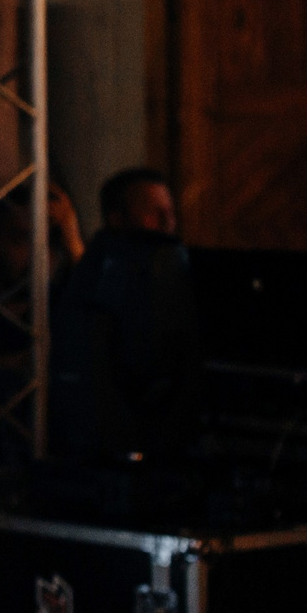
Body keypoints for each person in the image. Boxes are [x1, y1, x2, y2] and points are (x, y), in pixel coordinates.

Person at [48, 166, 199, 462]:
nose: (168, 221)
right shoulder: (109, 270)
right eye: (153, 212)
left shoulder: (169, 265)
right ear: (116, 218)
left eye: (169, 210)